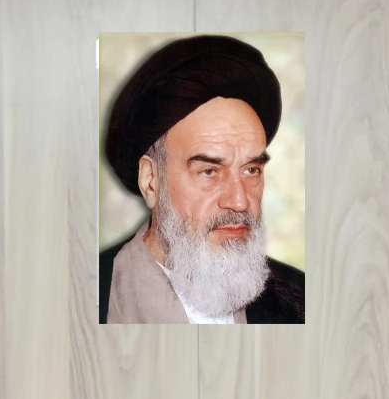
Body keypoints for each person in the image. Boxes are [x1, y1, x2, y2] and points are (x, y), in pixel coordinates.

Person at [98, 34, 304, 323]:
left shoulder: (299, 298)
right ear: (151, 181)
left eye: (251, 170)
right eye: (209, 172)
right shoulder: (90, 297)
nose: (239, 201)